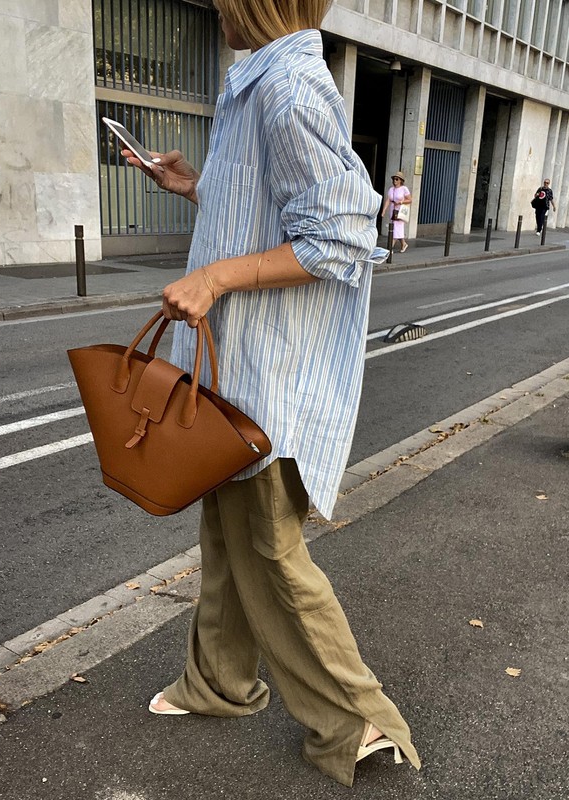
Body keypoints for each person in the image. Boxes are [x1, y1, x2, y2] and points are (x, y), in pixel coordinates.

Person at [123, 0, 420, 787]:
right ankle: (218, 682)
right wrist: (196, 188)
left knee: (270, 551)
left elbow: (344, 235)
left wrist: (215, 276)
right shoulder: (254, 86)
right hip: (235, 374)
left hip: (271, 379)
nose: (216, 3)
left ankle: (355, 724)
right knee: (226, 530)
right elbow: (267, 212)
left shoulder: (289, 88)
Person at [381, 171, 412, 252]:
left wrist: (401, 202)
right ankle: (404, 244)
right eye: (394, 179)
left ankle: (390, 248)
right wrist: (384, 211)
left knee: (395, 229)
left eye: (397, 179)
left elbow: (410, 200)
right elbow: (388, 200)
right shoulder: (391, 189)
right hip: (393, 210)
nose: (395, 181)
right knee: (397, 229)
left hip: (400, 211)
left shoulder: (404, 189)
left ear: (400, 180)